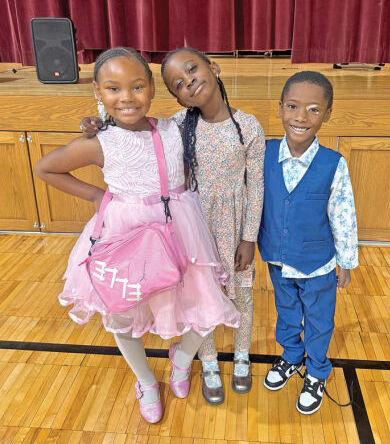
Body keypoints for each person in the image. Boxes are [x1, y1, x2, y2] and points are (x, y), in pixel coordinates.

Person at [34, 47, 240, 424]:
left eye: (137, 87)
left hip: (179, 229)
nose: (127, 97)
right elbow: (46, 168)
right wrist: (97, 195)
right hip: (126, 235)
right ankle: (145, 380)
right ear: (97, 91)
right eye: (113, 89)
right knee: (124, 315)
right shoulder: (99, 142)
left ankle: (181, 358)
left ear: (152, 90)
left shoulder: (173, 128)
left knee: (204, 309)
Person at [81, 47, 265, 405]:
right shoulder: (179, 125)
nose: (189, 82)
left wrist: (249, 236)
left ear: (214, 67)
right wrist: (96, 121)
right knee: (201, 297)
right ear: (174, 95)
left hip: (234, 224)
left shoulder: (249, 127)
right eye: (178, 83)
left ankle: (240, 356)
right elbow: (131, 131)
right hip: (191, 229)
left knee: (239, 291)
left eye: (193, 70)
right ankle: (206, 360)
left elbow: (256, 184)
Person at [258, 71, 358, 415]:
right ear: (280, 107)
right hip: (277, 257)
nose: (301, 117)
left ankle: (316, 371)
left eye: (314, 110)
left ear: (327, 115)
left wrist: (346, 261)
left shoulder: (333, 163)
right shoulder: (264, 152)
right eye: (293, 106)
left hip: (318, 263)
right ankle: (289, 355)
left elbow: (343, 214)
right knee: (286, 311)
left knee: (318, 319)